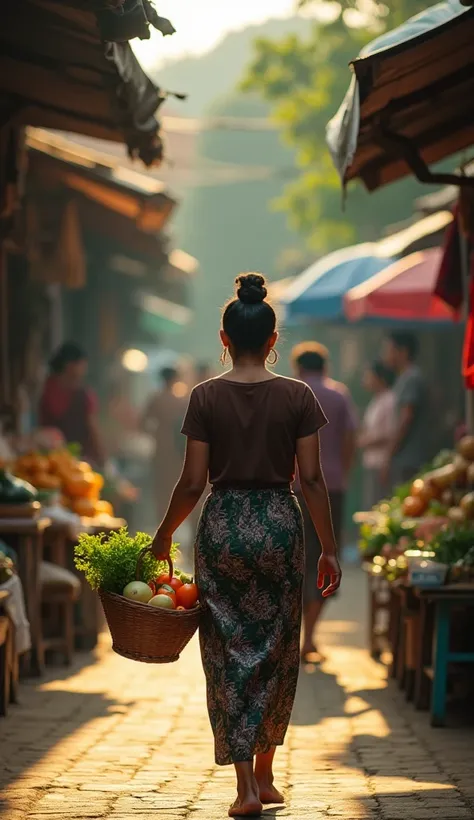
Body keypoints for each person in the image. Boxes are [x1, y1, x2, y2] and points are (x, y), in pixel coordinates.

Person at [151, 273, 340, 818]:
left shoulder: (205, 396)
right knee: (279, 646)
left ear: (224, 338)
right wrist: (327, 547)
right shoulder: (298, 395)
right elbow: (311, 479)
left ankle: (245, 789)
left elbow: (192, 482)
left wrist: (164, 534)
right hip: (281, 525)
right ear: (274, 338)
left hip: (224, 527)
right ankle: (267, 774)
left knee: (228, 649)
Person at [291, 341, 357, 664]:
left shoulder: (292, 393)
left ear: (298, 367)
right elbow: (350, 437)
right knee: (325, 558)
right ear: (325, 366)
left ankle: (295, 640)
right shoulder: (339, 395)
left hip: (295, 487)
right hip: (332, 487)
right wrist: (341, 470)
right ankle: (310, 639)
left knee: (297, 558)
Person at [39, 342, 105, 466]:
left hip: (50, 461)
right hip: (75, 461)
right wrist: (103, 459)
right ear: (70, 365)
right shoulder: (83, 395)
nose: (84, 369)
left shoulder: (46, 388)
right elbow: (93, 429)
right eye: (82, 365)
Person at [142, 367, 188, 522]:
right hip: (178, 449)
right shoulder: (180, 401)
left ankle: (161, 524)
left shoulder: (155, 399)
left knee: (161, 489)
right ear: (175, 379)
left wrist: (155, 433)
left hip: (161, 448)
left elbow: (143, 423)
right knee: (177, 487)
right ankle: (176, 521)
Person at [382, 332, 428, 486]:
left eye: (389, 350)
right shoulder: (403, 378)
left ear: (403, 352)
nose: (385, 355)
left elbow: (406, 418)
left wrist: (389, 453)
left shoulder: (411, 377)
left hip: (410, 458)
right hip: (404, 458)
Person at [359, 361, 396, 509]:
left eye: (369, 376)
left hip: (382, 461)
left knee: (378, 505)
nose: (366, 380)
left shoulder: (389, 400)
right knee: (370, 504)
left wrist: (365, 441)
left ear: (380, 378)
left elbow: (389, 433)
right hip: (371, 461)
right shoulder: (377, 400)